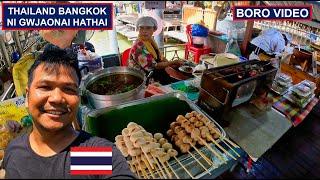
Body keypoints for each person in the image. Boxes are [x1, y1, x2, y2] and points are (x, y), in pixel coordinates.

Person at [1, 45, 135, 179]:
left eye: (69, 89)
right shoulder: (15, 152)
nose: (57, 98)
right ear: (27, 96)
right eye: (45, 87)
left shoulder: (86, 156)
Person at [129, 16, 184, 85]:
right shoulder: (139, 46)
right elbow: (154, 66)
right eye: (141, 28)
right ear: (138, 29)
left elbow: (160, 57)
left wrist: (172, 64)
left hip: (156, 72)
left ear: (154, 29)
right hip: (145, 78)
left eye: (148, 28)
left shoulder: (150, 40)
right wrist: (172, 62)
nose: (144, 31)